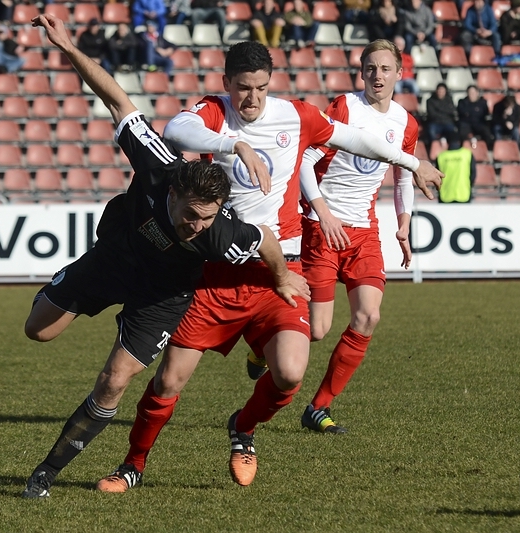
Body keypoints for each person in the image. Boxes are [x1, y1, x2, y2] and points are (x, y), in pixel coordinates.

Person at [95, 40, 442, 492]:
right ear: (227, 84)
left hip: (278, 272)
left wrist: (412, 162)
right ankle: (132, 466)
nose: (252, 98)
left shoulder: (294, 115)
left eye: (261, 87)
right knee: (168, 381)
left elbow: (353, 138)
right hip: (215, 276)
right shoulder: (216, 113)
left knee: (291, 371)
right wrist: (234, 144)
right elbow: (176, 130)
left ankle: (244, 427)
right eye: (243, 88)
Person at [20, 13, 308, 500]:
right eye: (193, 216)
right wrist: (69, 50)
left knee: (114, 381)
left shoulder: (219, 234)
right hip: (110, 262)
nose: (199, 227)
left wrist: (281, 278)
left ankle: (46, 472)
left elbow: (264, 239)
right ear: (174, 193)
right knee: (38, 330)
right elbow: (117, 99)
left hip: (161, 298)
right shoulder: (158, 166)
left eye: (208, 219)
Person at [292, 39, 422, 434]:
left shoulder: (407, 123)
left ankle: (319, 408)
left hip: (364, 232)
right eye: (370, 69)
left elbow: (403, 176)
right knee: (316, 329)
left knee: (368, 315)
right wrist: (322, 211)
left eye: (385, 69)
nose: (377, 76)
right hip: (321, 227)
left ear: (400, 73)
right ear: (361, 72)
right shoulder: (344, 108)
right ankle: (263, 347)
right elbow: (304, 162)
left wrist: (404, 222)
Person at [435, 133, 475, 203]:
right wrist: (468, 185)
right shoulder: (467, 154)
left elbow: (436, 177)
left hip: (445, 195)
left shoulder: (441, 156)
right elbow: (473, 174)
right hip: (464, 194)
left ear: (447, 142)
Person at [426, 83, 458, 147]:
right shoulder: (430, 101)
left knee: (453, 132)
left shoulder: (449, 100)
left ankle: (453, 148)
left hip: (447, 122)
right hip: (435, 123)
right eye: (439, 91)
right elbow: (432, 114)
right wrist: (445, 112)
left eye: (443, 91)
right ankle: (434, 149)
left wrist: (440, 111)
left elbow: (452, 111)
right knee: (431, 131)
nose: (441, 93)